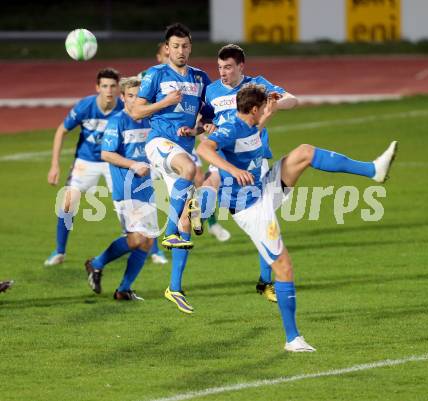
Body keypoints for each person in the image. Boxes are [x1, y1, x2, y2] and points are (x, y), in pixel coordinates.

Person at [197, 83, 397, 352]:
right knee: (284, 268)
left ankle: (373, 170)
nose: (272, 106)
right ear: (253, 109)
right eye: (266, 105)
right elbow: (204, 150)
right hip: (251, 208)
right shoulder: (231, 127)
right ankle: (293, 339)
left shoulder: (250, 124)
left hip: (264, 187)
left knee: (304, 151)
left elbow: (250, 137)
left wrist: (268, 114)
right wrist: (232, 170)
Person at [202, 44, 298, 302]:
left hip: (255, 161)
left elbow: (293, 100)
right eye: (220, 67)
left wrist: (277, 103)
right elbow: (202, 120)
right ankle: (198, 221)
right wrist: (203, 126)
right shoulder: (211, 90)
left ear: (241, 67)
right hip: (224, 157)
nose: (223, 73)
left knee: (265, 221)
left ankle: (266, 281)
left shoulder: (257, 86)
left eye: (229, 67)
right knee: (207, 188)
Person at [131, 23, 214, 314]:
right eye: (175, 46)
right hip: (158, 145)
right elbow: (136, 110)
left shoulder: (201, 78)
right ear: (167, 48)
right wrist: (164, 102)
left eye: (185, 46)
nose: (180, 51)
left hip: (181, 148)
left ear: (191, 48)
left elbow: (206, 120)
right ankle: (167, 232)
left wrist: (199, 130)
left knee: (186, 223)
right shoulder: (155, 75)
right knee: (190, 170)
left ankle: (174, 288)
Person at [85, 77, 158, 300]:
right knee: (137, 238)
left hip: (147, 189)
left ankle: (124, 289)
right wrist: (133, 164)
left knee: (147, 241)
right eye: (131, 95)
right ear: (123, 98)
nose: (136, 100)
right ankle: (96, 263)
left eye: (140, 96)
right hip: (126, 190)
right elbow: (106, 154)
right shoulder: (117, 121)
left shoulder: (149, 120)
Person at [44, 68, 123, 266]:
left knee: (126, 205)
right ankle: (59, 252)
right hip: (85, 161)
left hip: (113, 160)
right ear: (97, 87)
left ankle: (146, 249)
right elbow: (61, 130)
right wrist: (54, 165)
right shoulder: (85, 106)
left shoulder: (124, 108)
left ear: (118, 88)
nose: (109, 90)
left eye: (113, 86)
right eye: (104, 86)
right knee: (68, 201)